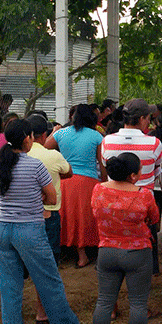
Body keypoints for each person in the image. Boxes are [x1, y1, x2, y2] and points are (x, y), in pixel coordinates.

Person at [0, 119, 92, 324]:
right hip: (30, 230)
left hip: (2, 231)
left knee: (9, 292)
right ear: (28, 138)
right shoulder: (35, 165)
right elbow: (52, 198)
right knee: (50, 284)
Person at [91, 153, 160, 324]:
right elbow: (154, 218)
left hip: (106, 251)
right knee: (138, 304)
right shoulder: (144, 194)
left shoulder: (98, 190)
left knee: (104, 301)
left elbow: (95, 212)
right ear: (133, 175)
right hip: (137, 252)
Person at [101, 98, 162, 275]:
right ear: (143, 119)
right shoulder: (154, 143)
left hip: (113, 203)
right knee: (146, 239)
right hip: (144, 205)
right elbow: (157, 170)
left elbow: (106, 167)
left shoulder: (107, 141)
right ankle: (150, 269)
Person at [45, 103, 106, 268]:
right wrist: (105, 182)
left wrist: (53, 132)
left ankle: (65, 251)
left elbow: (44, 148)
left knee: (67, 218)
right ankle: (83, 255)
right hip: (88, 183)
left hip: (65, 181)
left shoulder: (62, 133)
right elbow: (101, 164)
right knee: (83, 219)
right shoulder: (96, 136)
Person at [26, 114, 73, 324]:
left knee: (21, 265)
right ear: (44, 135)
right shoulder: (52, 156)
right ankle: (42, 310)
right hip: (48, 215)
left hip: (22, 216)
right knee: (48, 265)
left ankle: (16, 309)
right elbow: (68, 173)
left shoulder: (15, 156)